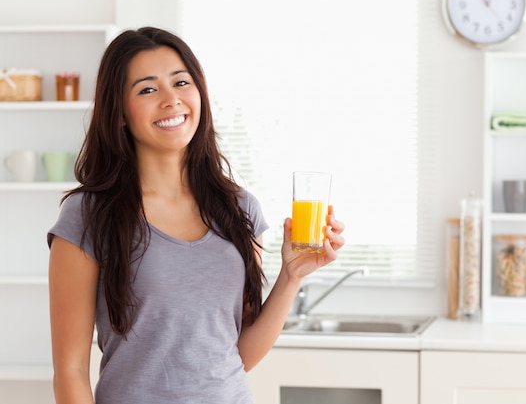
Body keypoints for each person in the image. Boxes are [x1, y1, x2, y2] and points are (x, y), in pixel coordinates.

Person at [47, 26, 344, 404]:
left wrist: (291, 275)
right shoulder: (88, 215)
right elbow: (70, 370)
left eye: (181, 82)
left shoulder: (240, 209)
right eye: (148, 89)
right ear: (119, 113)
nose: (171, 100)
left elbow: (237, 355)